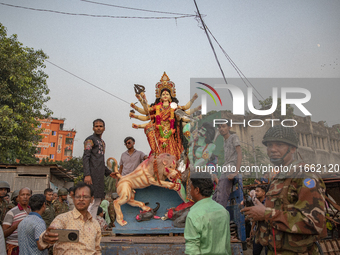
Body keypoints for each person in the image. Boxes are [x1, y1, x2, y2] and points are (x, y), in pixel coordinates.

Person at [241, 126, 327, 254]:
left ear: (292, 148)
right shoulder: (280, 177)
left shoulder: (305, 175)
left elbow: (314, 222)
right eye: (269, 145)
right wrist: (259, 211)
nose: (272, 150)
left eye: (279, 145)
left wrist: (266, 213)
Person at [130, 72, 197, 161]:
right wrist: (142, 99)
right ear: (160, 97)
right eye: (163, 94)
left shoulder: (174, 106)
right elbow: (147, 112)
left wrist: (193, 99)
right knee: (149, 127)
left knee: (175, 152)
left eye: (167, 94)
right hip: (159, 130)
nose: (165, 96)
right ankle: (155, 153)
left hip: (172, 131)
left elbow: (185, 108)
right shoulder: (157, 107)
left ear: (170, 96)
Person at [38, 182, 102, 254]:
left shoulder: (95, 224)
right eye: (78, 197)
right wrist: (45, 238)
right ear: (73, 198)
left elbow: (97, 250)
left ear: (92, 199)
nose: (81, 199)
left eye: (85, 197)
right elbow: (43, 243)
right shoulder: (62, 219)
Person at [184, 172, 231, 255]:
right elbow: (226, 244)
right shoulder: (223, 211)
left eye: (191, 189)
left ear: (197, 190)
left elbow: (192, 250)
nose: (190, 192)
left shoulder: (194, 214)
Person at [83, 119, 113, 219]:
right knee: (90, 201)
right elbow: (86, 157)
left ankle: (92, 224)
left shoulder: (102, 143)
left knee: (97, 202)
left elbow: (100, 162)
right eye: (96, 126)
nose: (98, 128)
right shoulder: (90, 140)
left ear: (104, 128)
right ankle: (85, 226)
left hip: (100, 176)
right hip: (91, 175)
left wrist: (109, 173)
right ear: (93, 128)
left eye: (100, 126)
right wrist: (87, 174)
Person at [213, 121, 242, 208]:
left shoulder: (234, 137)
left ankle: (219, 218)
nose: (221, 129)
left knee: (221, 197)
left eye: (223, 126)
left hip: (230, 169)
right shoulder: (225, 141)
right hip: (225, 170)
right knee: (215, 196)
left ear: (229, 127)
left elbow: (239, 153)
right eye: (219, 127)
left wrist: (236, 172)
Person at [3, 187, 31, 255]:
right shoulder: (11, 212)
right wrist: (16, 226)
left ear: (31, 196)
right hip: (14, 247)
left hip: (28, 247)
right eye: (22, 195)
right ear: (18, 197)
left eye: (27, 195)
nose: (25, 197)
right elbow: (4, 233)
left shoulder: (32, 211)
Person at [250, 185, 267, 255]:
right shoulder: (256, 203)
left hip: (267, 232)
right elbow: (255, 217)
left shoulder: (268, 203)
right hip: (258, 232)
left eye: (258, 191)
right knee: (255, 251)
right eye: (255, 191)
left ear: (263, 193)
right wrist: (252, 229)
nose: (256, 193)